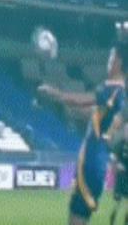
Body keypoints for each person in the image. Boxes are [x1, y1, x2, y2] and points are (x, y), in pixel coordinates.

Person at [39, 40, 128, 225]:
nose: (109, 61)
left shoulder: (110, 89)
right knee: (80, 216)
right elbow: (92, 113)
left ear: (118, 61)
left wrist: (55, 94)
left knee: (77, 217)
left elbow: (80, 101)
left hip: (91, 161)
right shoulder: (121, 94)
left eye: (111, 56)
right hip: (98, 161)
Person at [110, 123, 128, 225]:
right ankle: (113, 218)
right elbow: (113, 159)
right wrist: (117, 166)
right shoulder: (120, 144)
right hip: (121, 177)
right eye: (127, 131)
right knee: (117, 201)